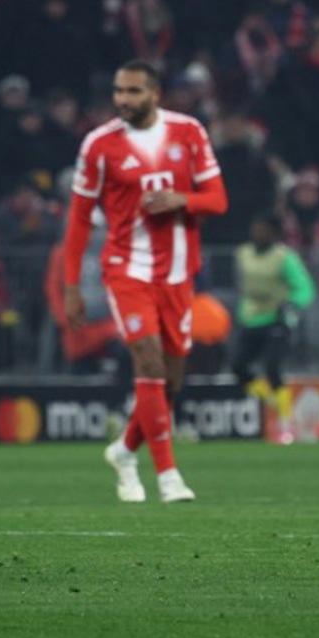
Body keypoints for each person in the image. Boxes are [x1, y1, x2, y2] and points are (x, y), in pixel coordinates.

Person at [62, 60, 228, 503]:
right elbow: (79, 219)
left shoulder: (188, 132)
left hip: (178, 274)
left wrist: (181, 199)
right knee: (149, 363)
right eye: (119, 91)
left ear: (155, 93)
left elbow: (218, 200)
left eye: (133, 91)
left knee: (170, 382)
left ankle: (123, 450)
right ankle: (169, 476)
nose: (123, 100)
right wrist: (71, 285)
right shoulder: (99, 145)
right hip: (126, 270)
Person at [233, 213, 316, 445]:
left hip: (276, 321)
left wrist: (290, 303)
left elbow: (305, 288)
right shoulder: (244, 254)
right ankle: (271, 401)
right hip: (251, 320)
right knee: (238, 366)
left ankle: (286, 422)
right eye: (255, 229)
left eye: (263, 230)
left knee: (272, 368)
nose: (258, 234)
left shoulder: (284, 257)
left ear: (274, 234)